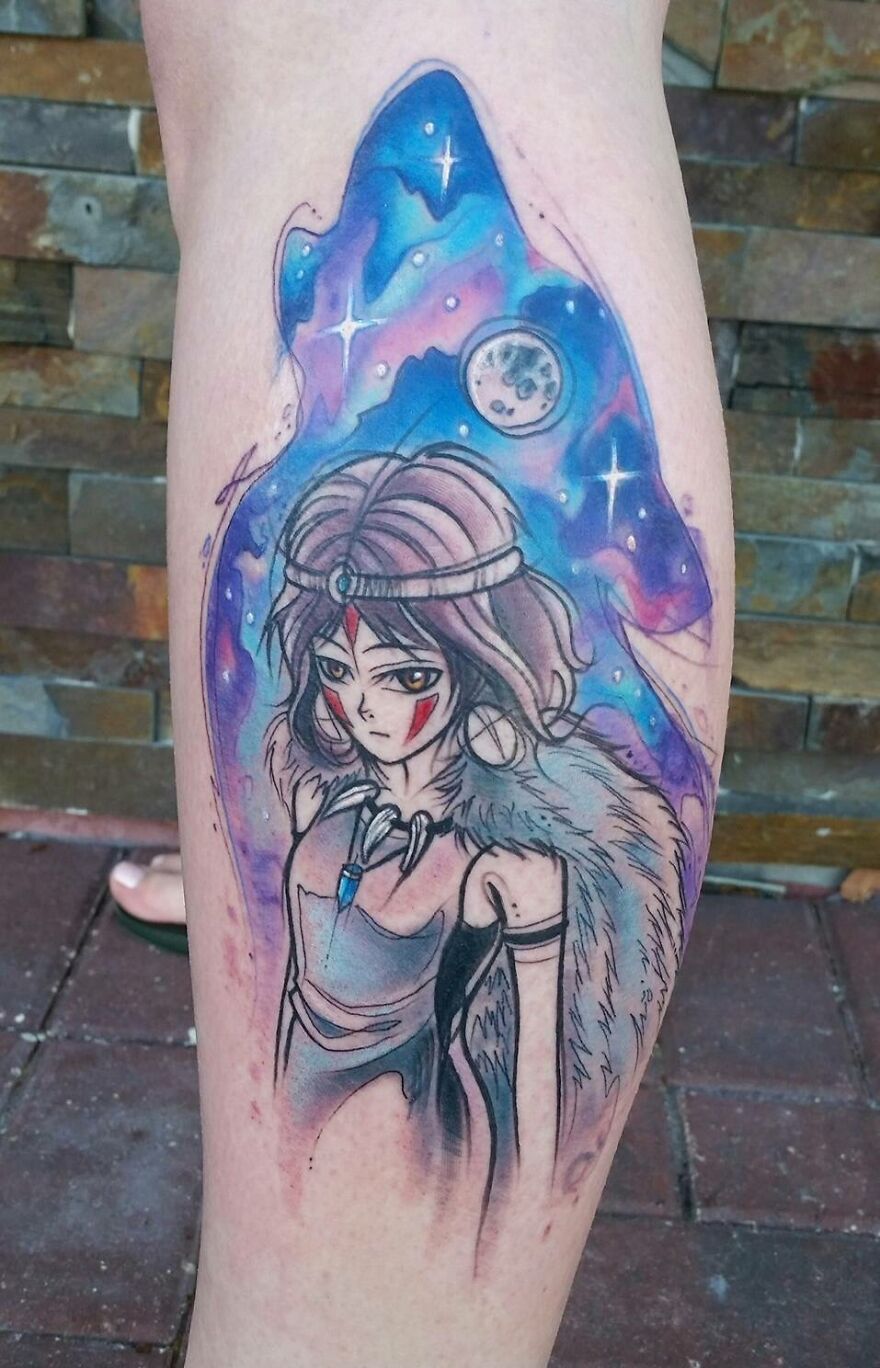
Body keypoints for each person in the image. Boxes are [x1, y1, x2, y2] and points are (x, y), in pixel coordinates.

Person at [124, 4, 733, 1363]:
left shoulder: (501, 864)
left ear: (480, 670)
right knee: (219, 95)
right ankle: (235, 863)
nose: (360, 699)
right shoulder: (344, 794)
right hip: (331, 971)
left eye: (401, 671)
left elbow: (522, 1109)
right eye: (339, 668)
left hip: (402, 1105)